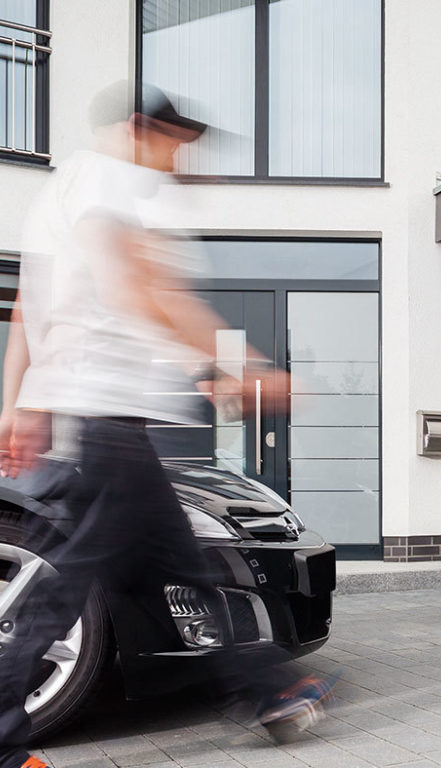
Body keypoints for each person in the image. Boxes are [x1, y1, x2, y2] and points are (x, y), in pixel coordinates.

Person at [0, 83, 331, 768]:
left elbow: (33, 313)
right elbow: (140, 290)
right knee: (65, 584)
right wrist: (244, 366)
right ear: (140, 129)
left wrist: (20, 404)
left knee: (179, 565)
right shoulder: (107, 187)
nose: (179, 161)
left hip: (106, 422)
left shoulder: (63, 193)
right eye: (176, 144)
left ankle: (266, 692)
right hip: (104, 422)